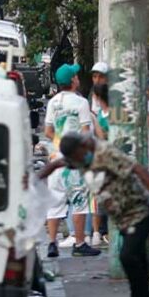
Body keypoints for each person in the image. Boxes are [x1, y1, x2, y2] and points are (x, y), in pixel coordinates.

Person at [38, 132, 149, 297]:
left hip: (139, 213)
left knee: (128, 256)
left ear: (84, 147)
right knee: (138, 263)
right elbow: (56, 164)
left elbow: (138, 169)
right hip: (123, 218)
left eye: (78, 156)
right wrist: (34, 179)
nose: (78, 161)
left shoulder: (106, 154)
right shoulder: (79, 158)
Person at [44, 63, 101, 258]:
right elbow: (85, 133)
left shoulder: (53, 102)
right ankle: (79, 242)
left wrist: (61, 144)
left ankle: (52, 243)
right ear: (72, 81)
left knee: (55, 201)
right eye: (76, 76)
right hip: (75, 162)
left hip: (56, 159)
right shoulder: (81, 103)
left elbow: (48, 131)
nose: (78, 78)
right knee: (79, 201)